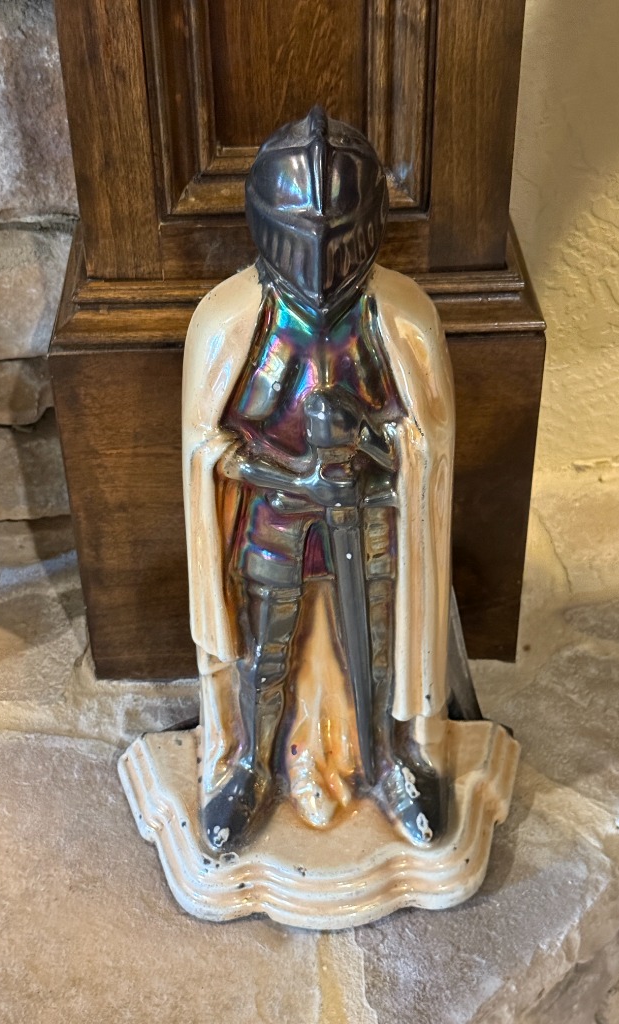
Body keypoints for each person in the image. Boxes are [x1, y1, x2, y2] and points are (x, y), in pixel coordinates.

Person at [182, 108, 458, 853]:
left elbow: (427, 444)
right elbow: (209, 449)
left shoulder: (397, 319)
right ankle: (249, 768)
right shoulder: (233, 321)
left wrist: (371, 438)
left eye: (337, 234)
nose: (318, 253)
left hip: (368, 520)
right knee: (263, 655)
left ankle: (390, 762)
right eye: (299, 233)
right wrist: (291, 471)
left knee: (378, 651)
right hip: (275, 516)